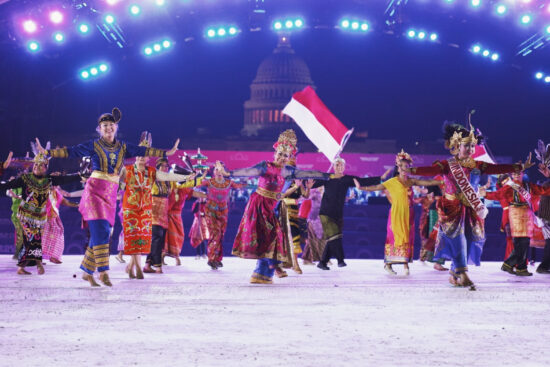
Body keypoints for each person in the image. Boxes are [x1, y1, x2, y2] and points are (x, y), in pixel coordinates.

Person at [35, 107, 179, 286]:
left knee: (102, 234)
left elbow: (143, 151)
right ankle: (103, 272)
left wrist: (166, 153)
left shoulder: (123, 147)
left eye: (111, 125)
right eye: (105, 125)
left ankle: (87, 271)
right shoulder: (93, 145)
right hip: (94, 191)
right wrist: (47, 152)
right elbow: (71, 151)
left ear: (116, 127)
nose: (108, 128)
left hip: (110, 194)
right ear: (99, 129)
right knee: (101, 231)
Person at [411, 123, 529, 289]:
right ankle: (463, 273)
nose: (471, 149)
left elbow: (497, 168)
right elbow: (429, 170)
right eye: (467, 145)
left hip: (472, 209)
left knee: (468, 240)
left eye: (473, 146)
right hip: (451, 208)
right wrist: (411, 170)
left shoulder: (477, 166)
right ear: (457, 145)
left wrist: (517, 167)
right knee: (458, 239)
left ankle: (454, 272)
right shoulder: (447, 164)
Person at [216, 129, 330, 284]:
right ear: (275, 153)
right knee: (270, 235)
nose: (282, 158)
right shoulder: (265, 166)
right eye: (280, 154)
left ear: (290, 157)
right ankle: (272, 266)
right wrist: (228, 173)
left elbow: (307, 173)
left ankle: (263, 273)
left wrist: (329, 176)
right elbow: (248, 171)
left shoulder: (288, 171)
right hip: (258, 206)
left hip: (273, 207)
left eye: (286, 156)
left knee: (271, 237)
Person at [354, 150, 443, 275]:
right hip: (396, 214)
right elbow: (376, 187)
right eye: (401, 166)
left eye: (406, 166)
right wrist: (361, 188)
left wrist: (442, 181)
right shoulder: (392, 182)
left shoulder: (411, 181)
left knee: (407, 238)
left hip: (409, 214)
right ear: (398, 167)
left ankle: (405, 264)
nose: (404, 168)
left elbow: (427, 183)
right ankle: (389, 264)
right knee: (395, 238)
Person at [121, 133, 195, 279]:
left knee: (141, 241)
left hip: (146, 211)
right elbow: (115, 181)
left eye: (144, 155)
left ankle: (132, 266)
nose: (141, 157)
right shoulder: (127, 170)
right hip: (131, 209)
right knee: (133, 240)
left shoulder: (152, 172)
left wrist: (186, 177)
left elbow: (169, 177)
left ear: (148, 158)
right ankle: (135, 267)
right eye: (139, 155)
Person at [0, 152, 82, 275]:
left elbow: (65, 179)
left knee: (32, 240)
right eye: (35, 165)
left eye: (40, 165)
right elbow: (7, 185)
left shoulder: (49, 180)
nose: (36, 167)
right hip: (26, 215)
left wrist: (79, 175)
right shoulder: (25, 178)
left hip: (39, 217)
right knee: (33, 239)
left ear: (45, 168)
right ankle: (37, 265)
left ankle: (22, 268)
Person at [313, 157, 381, 270]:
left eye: (341, 165)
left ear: (344, 167)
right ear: (334, 167)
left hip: (338, 213)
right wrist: (304, 184)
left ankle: (323, 262)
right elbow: (312, 183)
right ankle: (340, 260)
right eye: (337, 165)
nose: (339, 167)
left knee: (333, 237)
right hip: (325, 212)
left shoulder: (348, 179)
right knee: (335, 236)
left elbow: (363, 181)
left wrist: (380, 178)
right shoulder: (327, 177)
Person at [482, 171, 550, 276]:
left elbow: (543, 190)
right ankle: (513, 265)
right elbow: (498, 194)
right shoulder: (509, 186)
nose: (516, 175)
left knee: (525, 241)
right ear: (512, 175)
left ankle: (518, 267)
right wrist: (485, 194)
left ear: (522, 174)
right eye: (514, 173)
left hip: (527, 213)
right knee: (520, 241)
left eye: (519, 173)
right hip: (516, 212)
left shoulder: (529, 185)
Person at [199, 163, 245, 270]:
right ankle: (212, 259)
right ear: (213, 172)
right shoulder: (209, 182)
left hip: (223, 211)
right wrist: (200, 176)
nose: (219, 172)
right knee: (215, 234)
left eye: (221, 170)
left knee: (220, 235)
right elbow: (196, 185)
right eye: (216, 169)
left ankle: (217, 259)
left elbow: (241, 186)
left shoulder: (229, 183)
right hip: (211, 211)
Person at [41, 186, 79, 264]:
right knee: (41, 237)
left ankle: (53, 257)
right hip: (42, 217)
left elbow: (65, 202)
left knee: (58, 235)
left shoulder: (56, 192)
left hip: (54, 217)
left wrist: (78, 204)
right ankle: (37, 258)